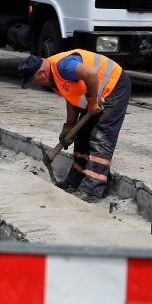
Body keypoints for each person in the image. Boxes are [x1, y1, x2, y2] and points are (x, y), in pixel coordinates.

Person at [18, 50, 131, 201]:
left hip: (114, 86)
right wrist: (69, 126)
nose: (34, 85)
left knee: (101, 137)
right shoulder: (53, 76)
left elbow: (90, 74)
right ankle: (75, 180)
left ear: (41, 73)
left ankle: (92, 190)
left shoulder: (63, 66)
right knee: (82, 135)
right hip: (96, 92)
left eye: (33, 81)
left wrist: (92, 102)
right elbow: (71, 97)